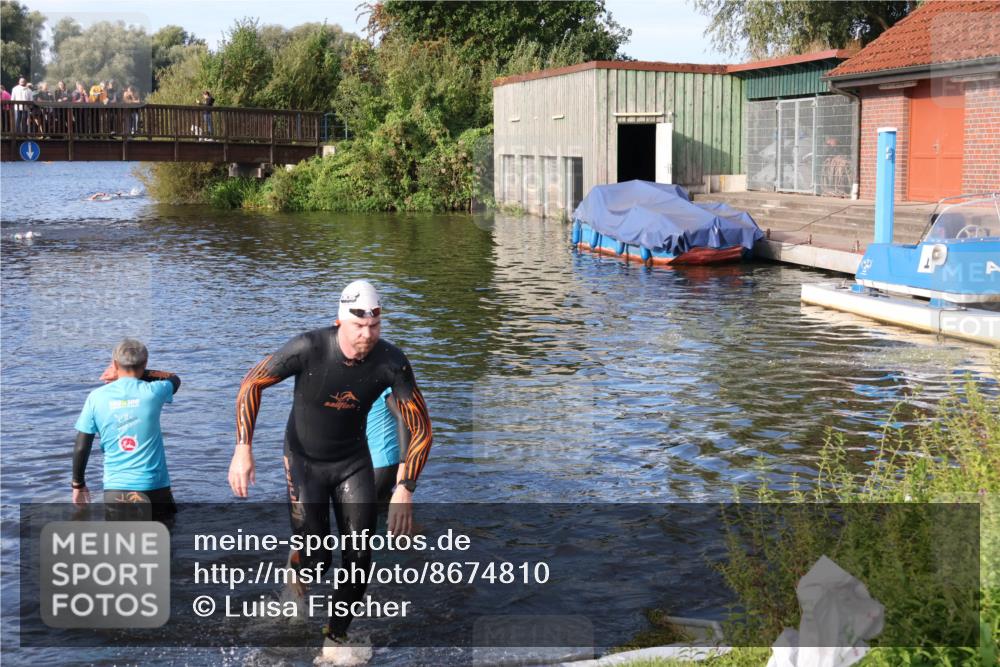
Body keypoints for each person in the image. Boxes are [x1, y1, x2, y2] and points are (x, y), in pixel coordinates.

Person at [228, 279, 432, 663]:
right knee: (319, 559)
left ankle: (334, 638)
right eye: (359, 326)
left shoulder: (392, 362)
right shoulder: (309, 348)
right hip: (304, 461)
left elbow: (420, 425)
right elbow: (252, 383)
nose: (367, 335)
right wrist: (243, 449)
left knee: (359, 556)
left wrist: (405, 487)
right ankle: (298, 564)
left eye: (374, 326)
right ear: (340, 321)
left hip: (353, 462)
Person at [72, 339, 181, 522]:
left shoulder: (96, 398)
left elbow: (82, 446)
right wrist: (139, 372)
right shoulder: (154, 391)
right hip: (154, 487)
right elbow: (173, 378)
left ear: (115, 364)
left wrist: (78, 484)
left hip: (116, 490)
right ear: (145, 364)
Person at [367, 388, 409, 504]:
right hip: (370, 459)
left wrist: (403, 465)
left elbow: (403, 418)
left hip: (382, 460)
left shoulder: (383, 380)